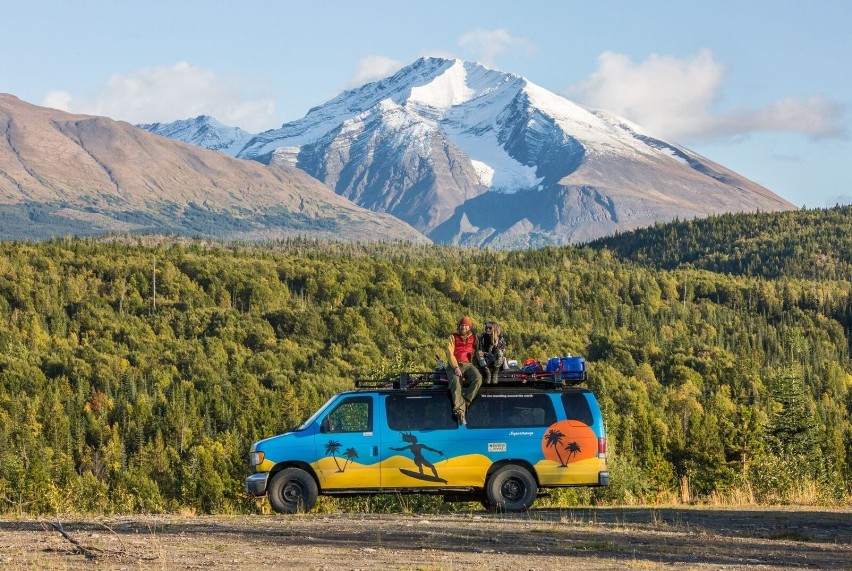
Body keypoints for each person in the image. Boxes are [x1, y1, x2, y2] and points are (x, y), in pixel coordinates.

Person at [445, 315, 482, 425]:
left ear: (469, 327)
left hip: (469, 364)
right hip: (455, 364)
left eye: (466, 325)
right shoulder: (453, 336)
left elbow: (475, 352)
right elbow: (449, 352)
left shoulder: (474, 337)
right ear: (459, 326)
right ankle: (460, 412)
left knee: (478, 378)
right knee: (455, 383)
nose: (464, 327)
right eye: (462, 325)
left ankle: (465, 403)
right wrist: (455, 367)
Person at [476, 320, 507, 385]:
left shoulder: (500, 338)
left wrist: (487, 353)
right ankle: (487, 373)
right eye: (486, 327)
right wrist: (483, 353)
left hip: (496, 361)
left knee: (499, 352)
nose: (487, 329)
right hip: (485, 360)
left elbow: (502, 350)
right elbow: (480, 349)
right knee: (478, 352)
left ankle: (495, 373)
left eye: (490, 328)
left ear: (494, 329)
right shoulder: (482, 337)